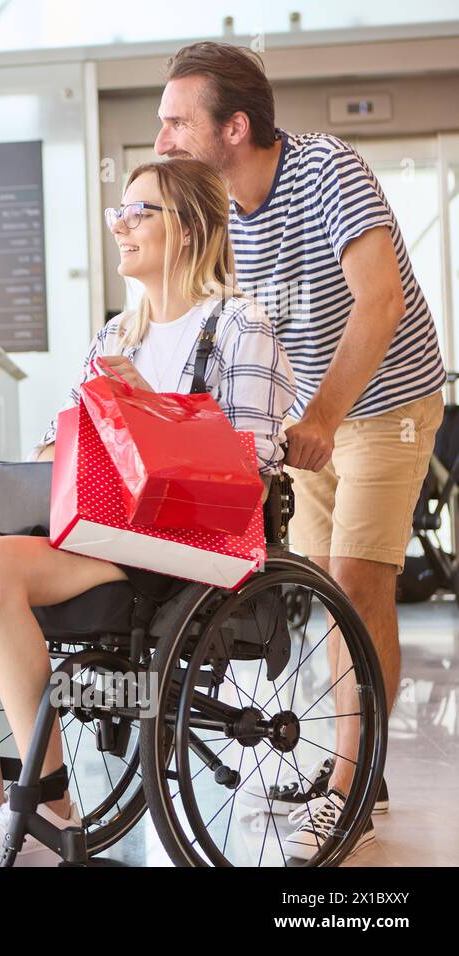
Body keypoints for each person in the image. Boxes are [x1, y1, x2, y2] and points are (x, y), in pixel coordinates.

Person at [0, 158, 295, 867]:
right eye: (119, 213)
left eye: (140, 212)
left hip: (184, 548)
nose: (121, 226)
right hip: (104, 532)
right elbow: (73, 442)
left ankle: (46, 802)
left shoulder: (239, 326)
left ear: (191, 228)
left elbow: (250, 473)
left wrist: (156, 413)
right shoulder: (116, 338)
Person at [154, 41, 442, 858]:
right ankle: (351, 761)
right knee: (319, 605)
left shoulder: (327, 172)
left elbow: (378, 303)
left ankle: (353, 789)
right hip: (311, 415)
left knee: (358, 586)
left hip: (387, 403)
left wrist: (321, 415)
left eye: (178, 121)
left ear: (234, 126)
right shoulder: (216, 215)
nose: (164, 138)